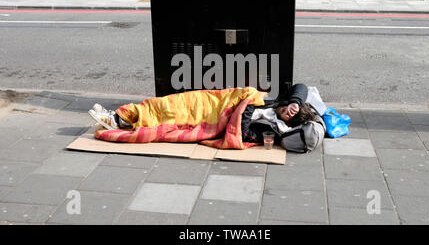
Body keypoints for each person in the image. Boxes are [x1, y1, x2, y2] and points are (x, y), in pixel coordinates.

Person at [88, 83, 324, 153]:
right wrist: (296, 102)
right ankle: (123, 116)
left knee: (169, 115)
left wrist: (248, 105)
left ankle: (118, 121)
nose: (289, 112)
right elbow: (301, 86)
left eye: (292, 115)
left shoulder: (272, 130)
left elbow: (241, 133)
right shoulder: (283, 104)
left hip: (213, 117)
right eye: (292, 108)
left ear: (290, 123)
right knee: (167, 103)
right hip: (216, 101)